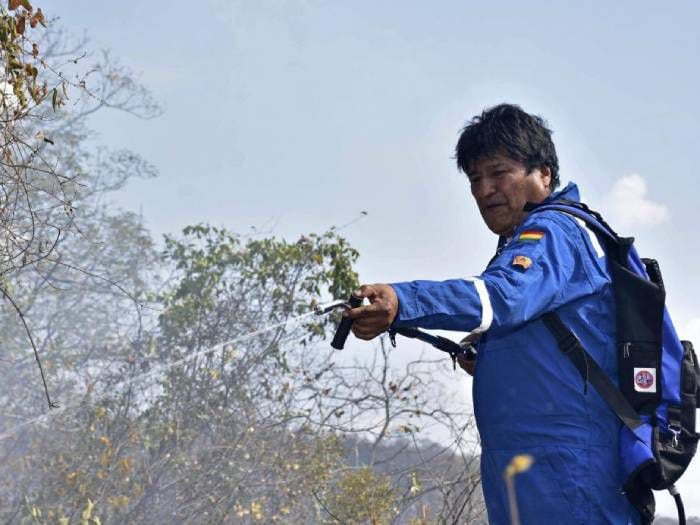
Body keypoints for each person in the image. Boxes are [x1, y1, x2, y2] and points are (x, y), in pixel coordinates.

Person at [346, 104, 640, 524]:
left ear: (544, 175)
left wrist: (402, 301)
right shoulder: (524, 243)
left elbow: (500, 299)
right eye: (475, 179)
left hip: (568, 478)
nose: (485, 190)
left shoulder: (554, 233)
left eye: (499, 173)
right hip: (532, 475)